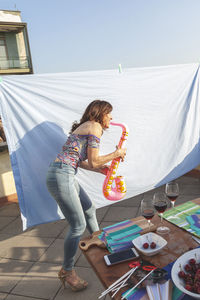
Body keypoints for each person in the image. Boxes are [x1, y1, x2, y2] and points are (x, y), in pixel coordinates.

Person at [46, 100, 126, 292]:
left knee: (89, 208)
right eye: (109, 113)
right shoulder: (95, 126)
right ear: (100, 113)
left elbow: (86, 163)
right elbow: (94, 159)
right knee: (77, 226)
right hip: (62, 175)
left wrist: (101, 170)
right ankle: (67, 271)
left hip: (64, 173)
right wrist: (116, 153)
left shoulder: (88, 126)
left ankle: (99, 241)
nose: (111, 118)